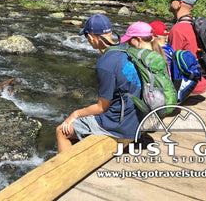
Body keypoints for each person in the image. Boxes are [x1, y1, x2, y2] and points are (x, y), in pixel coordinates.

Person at [56, 14, 142, 153]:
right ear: (111, 33)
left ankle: (63, 170)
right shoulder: (127, 51)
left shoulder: (105, 64)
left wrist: (75, 114)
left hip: (120, 126)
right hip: (137, 119)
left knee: (61, 131)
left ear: (91, 37)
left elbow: (102, 107)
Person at [165, 0, 206, 94]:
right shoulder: (196, 25)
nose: (170, 2)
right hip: (203, 81)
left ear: (180, 3)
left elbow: (171, 63)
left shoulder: (178, 29)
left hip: (189, 86)